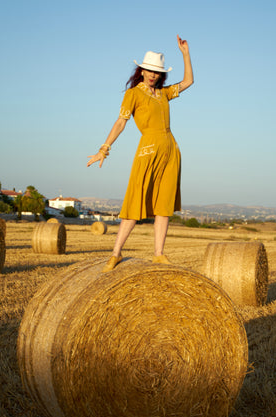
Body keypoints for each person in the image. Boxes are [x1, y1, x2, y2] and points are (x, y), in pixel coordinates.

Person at [87, 34, 194, 272]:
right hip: (147, 151)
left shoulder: (165, 93)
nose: (153, 74)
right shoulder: (133, 94)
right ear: (142, 71)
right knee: (135, 203)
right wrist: (104, 149)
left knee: (164, 205)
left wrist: (185, 54)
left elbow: (188, 81)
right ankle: (115, 253)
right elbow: (120, 122)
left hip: (170, 150)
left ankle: (158, 254)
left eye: (157, 71)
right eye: (149, 70)